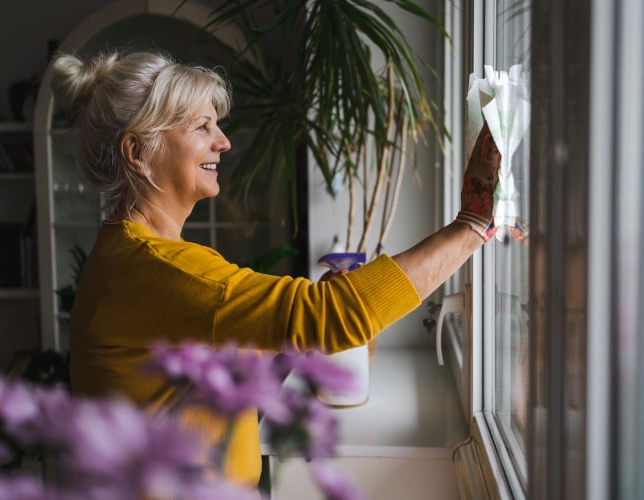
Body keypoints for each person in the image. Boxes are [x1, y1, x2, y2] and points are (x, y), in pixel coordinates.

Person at [50, 49, 500, 489]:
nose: (222, 141)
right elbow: (329, 318)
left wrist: (290, 333)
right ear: (137, 150)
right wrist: (473, 223)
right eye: (202, 126)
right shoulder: (158, 269)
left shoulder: (133, 256)